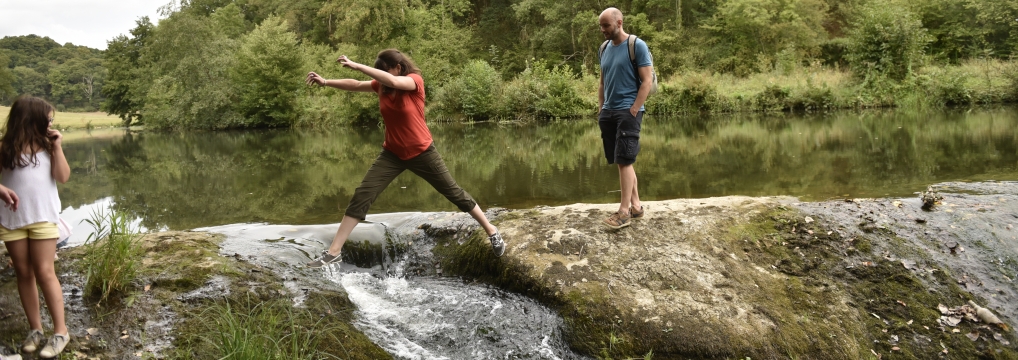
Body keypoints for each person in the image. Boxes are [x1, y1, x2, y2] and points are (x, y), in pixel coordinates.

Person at [304, 49, 506, 267]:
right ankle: (334, 252)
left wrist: (358, 65)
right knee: (363, 194)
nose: (380, 78)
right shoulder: (381, 85)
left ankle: (492, 231)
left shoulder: (414, 82)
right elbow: (355, 85)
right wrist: (325, 82)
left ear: (398, 68)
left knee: (454, 193)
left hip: (422, 152)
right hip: (392, 154)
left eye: (383, 73)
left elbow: (391, 80)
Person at [0, 96, 71, 358]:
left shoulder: (48, 147)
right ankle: (36, 329)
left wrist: (58, 147)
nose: (52, 123)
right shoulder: (5, 148)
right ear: (31, 120)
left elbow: (63, 177)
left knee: (44, 271)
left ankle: (61, 332)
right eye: (48, 119)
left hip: (43, 217)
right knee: (23, 272)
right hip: (12, 220)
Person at [597, 7, 653, 229]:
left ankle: (623, 212)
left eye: (606, 26)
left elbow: (647, 80)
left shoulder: (636, 45)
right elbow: (602, 82)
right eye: (601, 26)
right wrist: (601, 108)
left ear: (619, 23)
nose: (603, 30)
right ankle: (637, 207)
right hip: (609, 112)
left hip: (628, 111)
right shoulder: (603, 48)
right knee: (622, 161)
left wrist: (634, 108)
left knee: (624, 160)